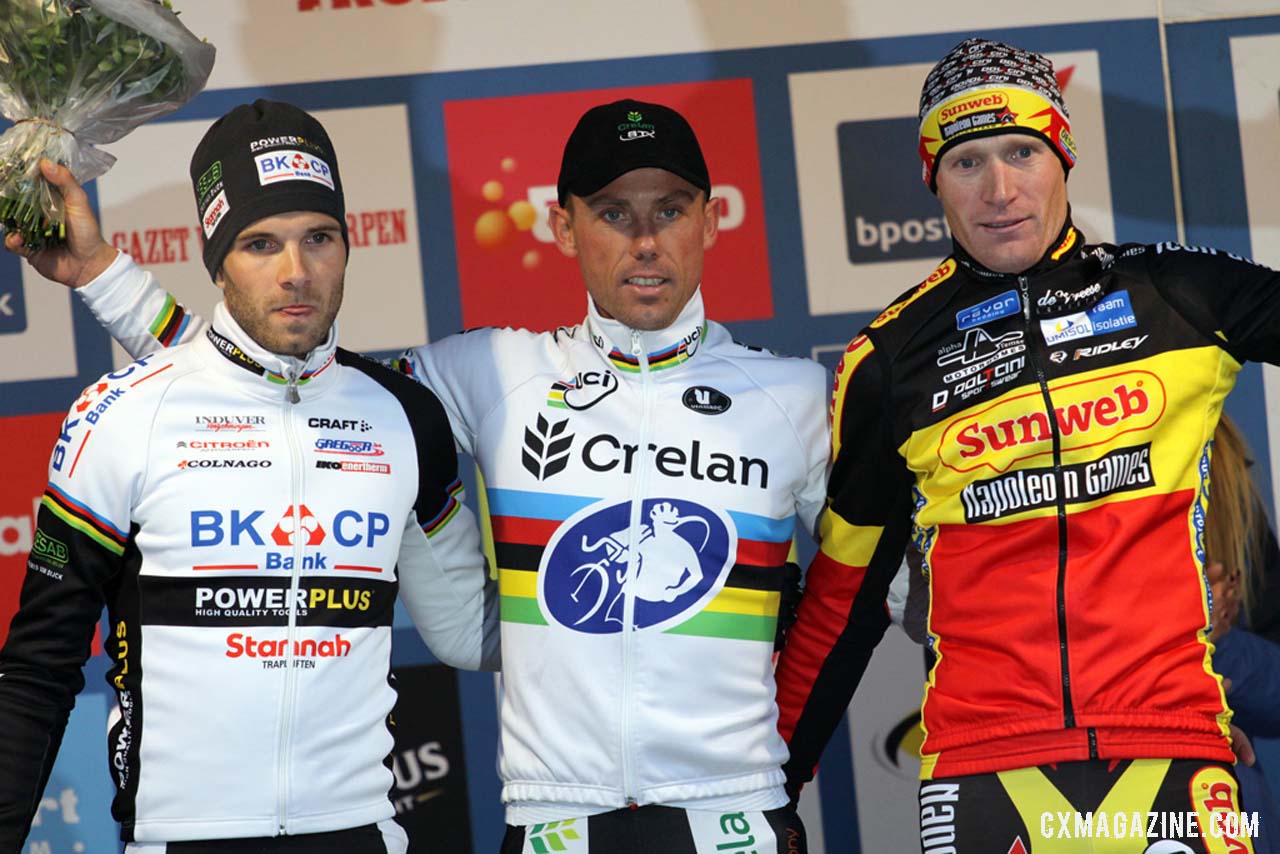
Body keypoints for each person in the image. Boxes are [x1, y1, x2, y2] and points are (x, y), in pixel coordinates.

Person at [8, 99, 827, 852]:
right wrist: (108, 279)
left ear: (712, 222)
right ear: (565, 225)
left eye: (671, 211)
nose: (645, 241)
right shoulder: (487, 370)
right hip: (552, 819)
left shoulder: (795, 394)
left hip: (734, 807)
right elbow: (268, 378)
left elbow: (880, 595)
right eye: (614, 213)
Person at [774, 37, 1280, 852]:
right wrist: (777, 781)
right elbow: (844, 596)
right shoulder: (889, 360)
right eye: (967, 161)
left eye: (1022, 152)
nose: (1000, 190)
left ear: (1064, 156)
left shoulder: (1178, 295)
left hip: (1174, 746)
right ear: (931, 179)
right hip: (983, 772)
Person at [0, 101, 496, 852]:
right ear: (218, 258)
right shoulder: (125, 414)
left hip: (361, 835)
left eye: (318, 239)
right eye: (260, 244)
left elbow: (468, 628)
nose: (296, 273)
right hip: (182, 837)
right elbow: (38, 669)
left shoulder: (402, 417)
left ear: (347, 246)